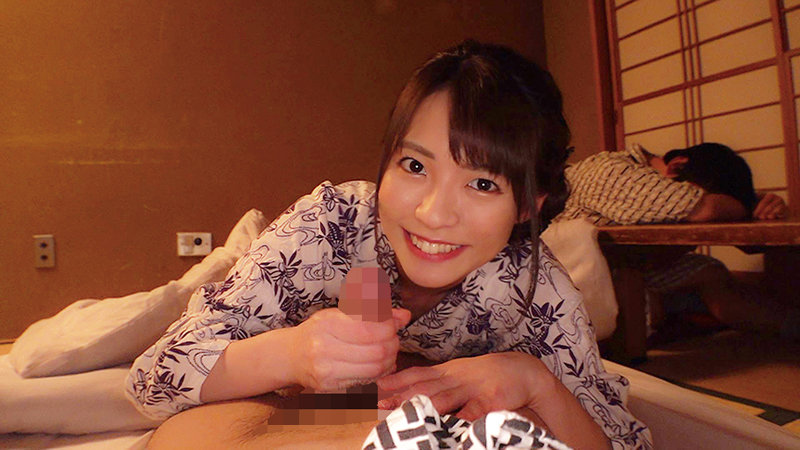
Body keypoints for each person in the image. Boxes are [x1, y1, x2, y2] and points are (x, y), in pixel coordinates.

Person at [126, 40, 652, 449]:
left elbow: (618, 440)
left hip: (429, 423)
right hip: (298, 417)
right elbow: (155, 380)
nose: (433, 214)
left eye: (482, 183)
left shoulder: (535, 288)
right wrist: (292, 353)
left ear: (528, 207)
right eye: (415, 166)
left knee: (522, 416)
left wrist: (532, 379)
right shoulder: (332, 226)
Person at [553, 142, 793, 338]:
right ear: (677, 166)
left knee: (710, 272)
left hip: (629, 264)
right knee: (654, 301)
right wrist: (748, 206)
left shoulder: (647, 177)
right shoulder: (613, 172)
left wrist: (760, 205)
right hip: (579, 282)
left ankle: (791, 326)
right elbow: (705, 209)